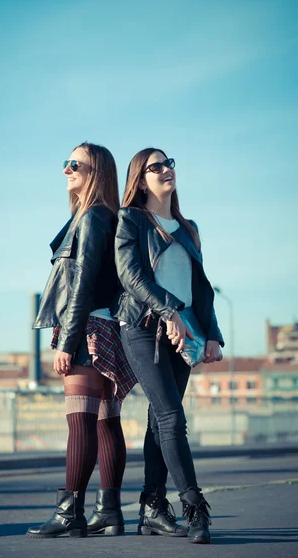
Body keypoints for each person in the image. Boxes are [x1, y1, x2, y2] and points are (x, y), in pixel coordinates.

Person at [111, 147, 224, 544]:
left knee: (160, 421)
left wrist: (212, 334)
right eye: (154, 167)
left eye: (169, 163)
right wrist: (169, 312)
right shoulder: (131, 220)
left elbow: (202, 289)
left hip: (186, 331)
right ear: (140, 180)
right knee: (173, 418)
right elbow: (132, 277)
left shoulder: (188, 227)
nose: (165, 171)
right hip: (143, 327)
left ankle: (153, 507)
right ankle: (195, 507)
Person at [27, 142, 137, 539]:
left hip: (86, 327)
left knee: (80, 422)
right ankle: (109, 512)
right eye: (66, 163)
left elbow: (83, 283)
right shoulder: (106, 216)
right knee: (107, 422)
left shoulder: (91, 218)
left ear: (97, 172)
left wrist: (66, 341)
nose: (66, 170)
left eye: (76, 164)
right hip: (110, 328)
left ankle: (68, 511)